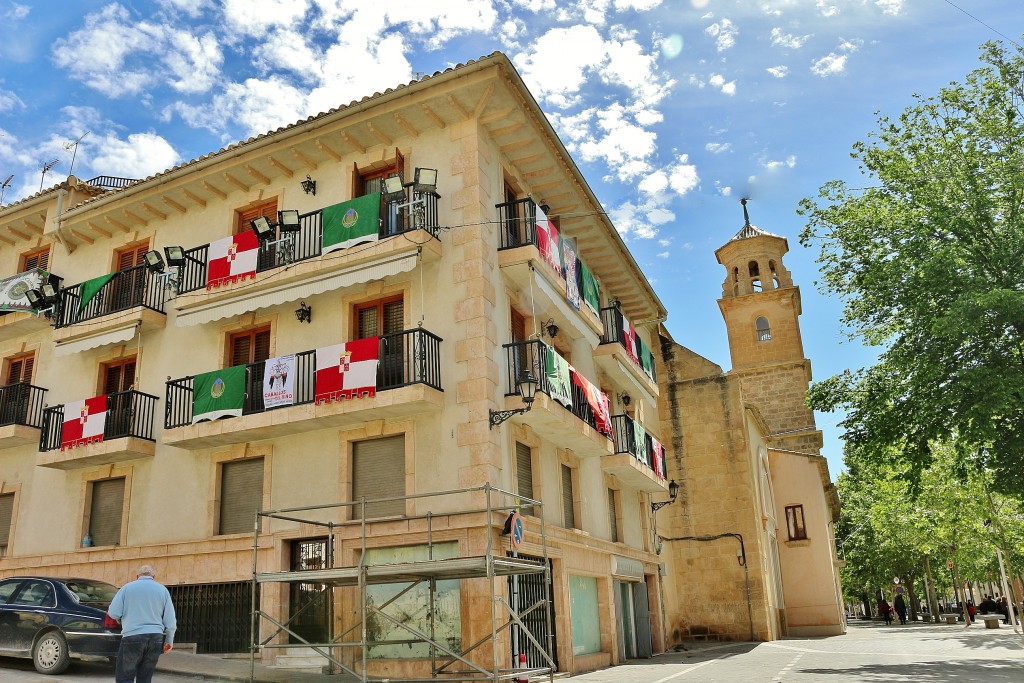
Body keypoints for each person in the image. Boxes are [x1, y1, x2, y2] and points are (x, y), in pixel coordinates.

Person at [107, 565, 177, 683]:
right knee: (145, 678)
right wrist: (169, 640)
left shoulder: (126, 588)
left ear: (137, 576)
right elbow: (170, 620)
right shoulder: (162, 590)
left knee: (125, 677)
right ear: (154, 577)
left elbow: (113, 613)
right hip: (155, 638)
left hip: (132, 636)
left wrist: (121, 619)